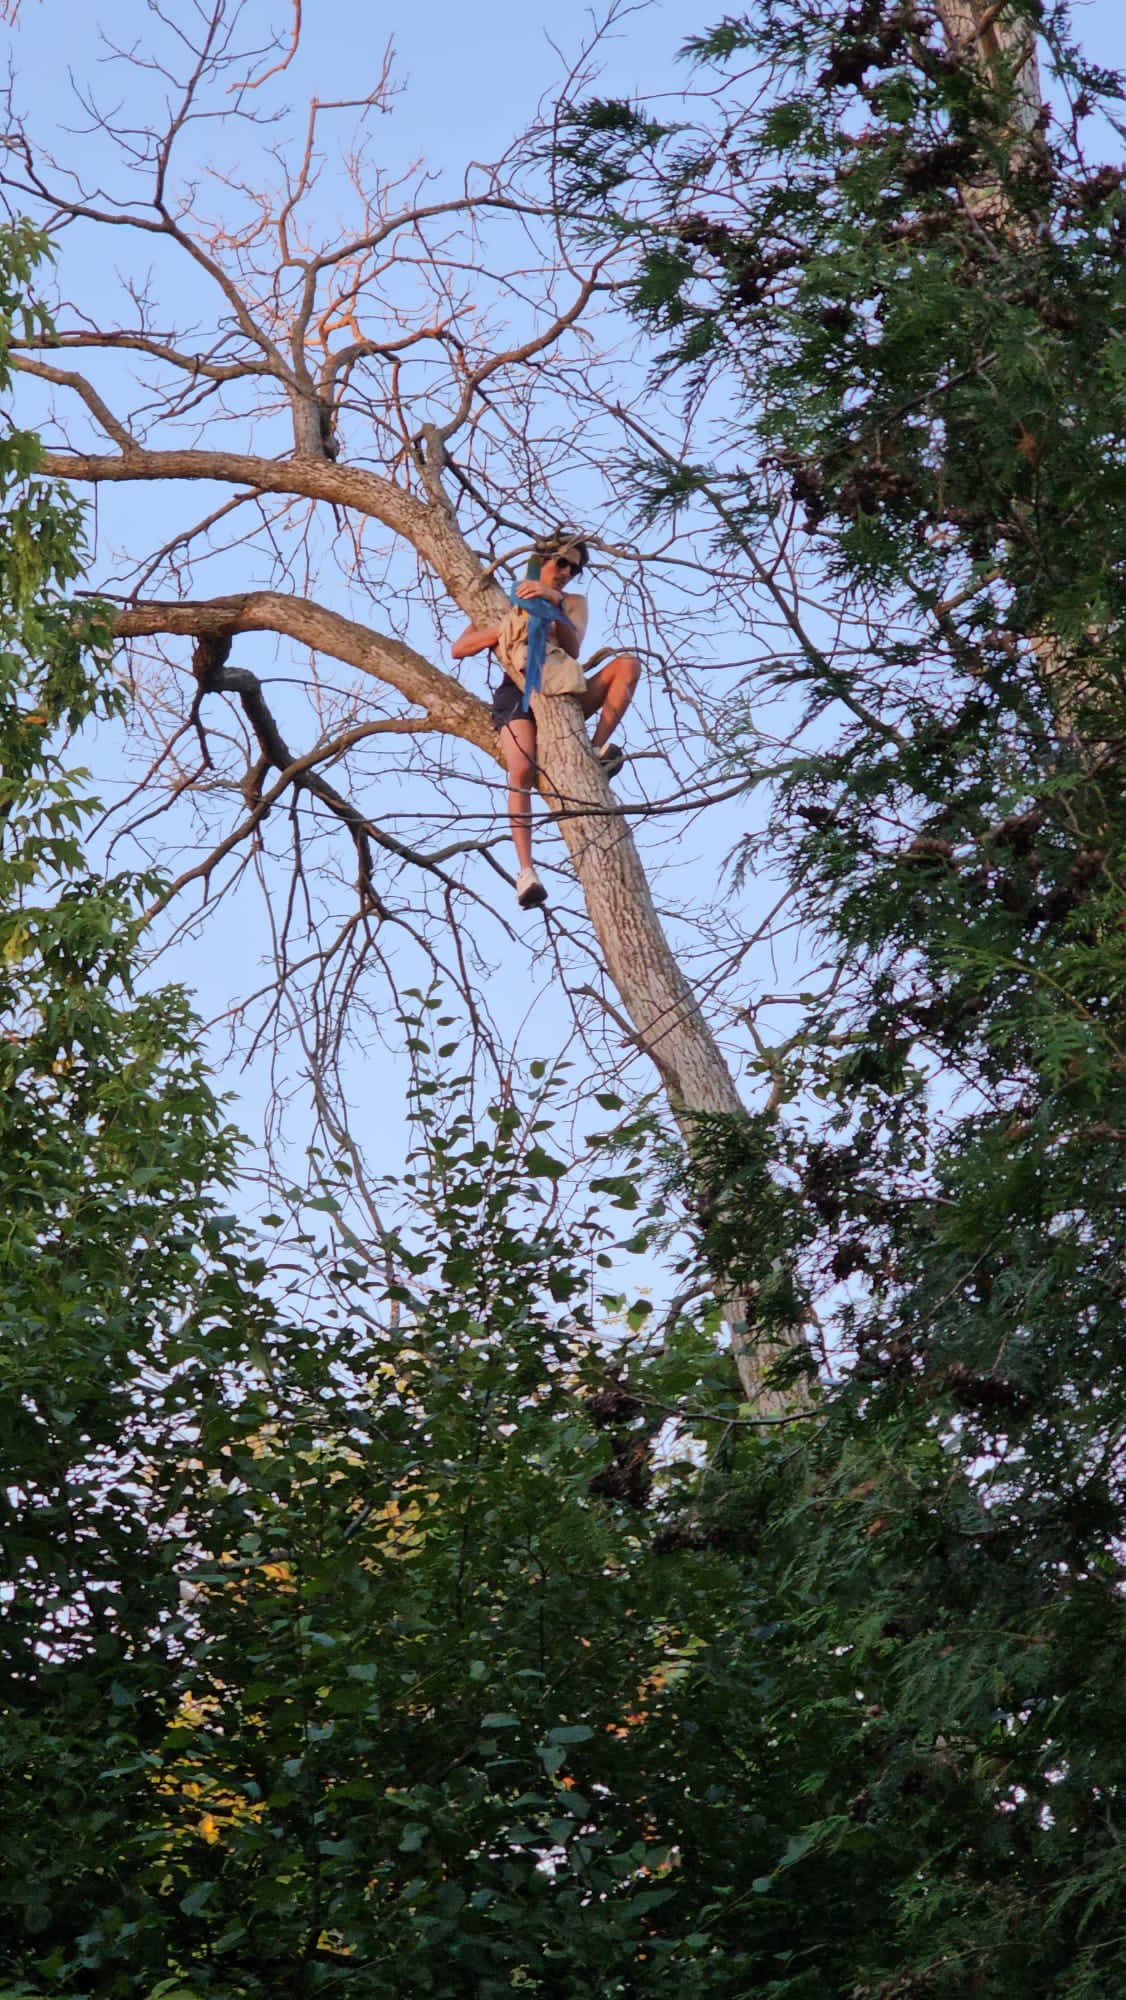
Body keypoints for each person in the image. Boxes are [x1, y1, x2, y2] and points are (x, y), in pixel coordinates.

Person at [451, 536, 640, 910]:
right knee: (521, 770)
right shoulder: (504, 599)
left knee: (628, 665)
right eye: (562, 563)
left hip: (565, 684)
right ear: (542, 559)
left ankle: (594, 749)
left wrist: (552, 604)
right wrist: (510, 625)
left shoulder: (573, 603)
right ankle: (525, 871)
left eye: (575, 568)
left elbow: (574, 647)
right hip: (519, 690)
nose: (568, 572)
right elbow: (460, 648)